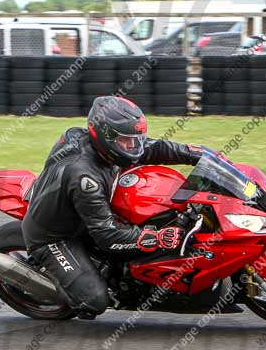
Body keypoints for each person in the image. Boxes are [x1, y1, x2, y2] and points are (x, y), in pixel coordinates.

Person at [22, 95, 202, 319]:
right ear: (104, 135)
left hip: (85, 212)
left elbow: (153, 148)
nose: (134, 146)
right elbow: (107, 235)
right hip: (56, 237)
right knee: (94, 301)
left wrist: (196, 154)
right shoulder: (85, 176)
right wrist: (156, 238)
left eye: (136, 139)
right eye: (126, 141)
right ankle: (57, 289)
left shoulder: (103, 145)